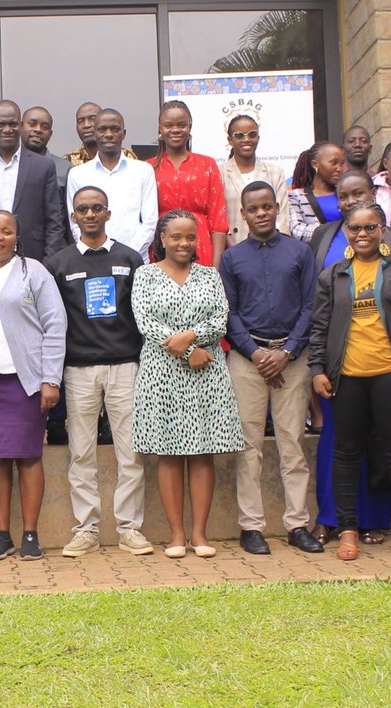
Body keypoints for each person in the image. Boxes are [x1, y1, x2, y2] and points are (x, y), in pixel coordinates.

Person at [308, 201, 391, 563]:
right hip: (346, 378)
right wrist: (317, 370)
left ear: (382, 230)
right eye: (355, 228)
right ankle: (348, 530)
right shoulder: (334, 274)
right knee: (346, 454)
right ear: (346, 232)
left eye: (370, 227)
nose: (362, 234)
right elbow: (320, 328)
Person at [131, 210, 245, 558]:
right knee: (168, 453)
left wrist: (193, 341)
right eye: (177, 236)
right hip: (161, 371)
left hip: (206, 372)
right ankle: (176, 534)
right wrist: (186, 351)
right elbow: (144, 320)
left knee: (201, 451)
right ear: (162, 239)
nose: (184, 243)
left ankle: (200, 533)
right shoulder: (145, 275)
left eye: (190, 237)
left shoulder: (210, 275)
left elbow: (220, 318)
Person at [45, 186, 151, 557]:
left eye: (97, 208)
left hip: (125, 366)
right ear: (73, 217)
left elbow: (142, 315)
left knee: (130, 452)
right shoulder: (58, 264)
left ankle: (129, 528)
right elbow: (53, 322)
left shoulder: (129, 258)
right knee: (81, 453)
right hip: (79, 370)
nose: (89, 214)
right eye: (82, 209)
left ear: (108, 213)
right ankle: (86, 529)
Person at [220, 182, 320, 556]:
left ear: (277, 208)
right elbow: (228, 311)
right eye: (253, 209)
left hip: (292, 361)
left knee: (292, 443)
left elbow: (312, 306)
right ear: (242, 214)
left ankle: (297, 523)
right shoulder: (232, 258)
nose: (261, 213)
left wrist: (289, 351)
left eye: (267, 207)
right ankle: (252, 526)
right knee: (249, 446)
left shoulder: (299, 252)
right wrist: (255, 352)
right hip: (247, 362)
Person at [0, 210, 67, 561]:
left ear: (16, 236)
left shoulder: (33, 271)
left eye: (6, 231)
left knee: (29, 456)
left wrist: (50, 379)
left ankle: (31, 534)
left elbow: (55, 324)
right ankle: (2, 534)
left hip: (26, 381)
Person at [306, 171, 391, 542]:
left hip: (385, 361)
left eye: (357, 193)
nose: (348, 201)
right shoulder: (323, 236)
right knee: (336, 441)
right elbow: (316, 305)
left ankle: (374, 518)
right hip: (338, 361)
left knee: (379, 439)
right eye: (342, 196)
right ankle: (331, 516)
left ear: (373, 194)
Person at [0, 102, 64, 263]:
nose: (7, 129)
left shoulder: (43, 166)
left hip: (34, 259)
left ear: (21, 125)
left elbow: (54, 223)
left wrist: (47, 265)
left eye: (12, 124)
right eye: (1, 124)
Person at [66, 109, 158, 256]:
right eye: (102, 129)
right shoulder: (78, 174)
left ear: (124, 133)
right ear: (95, 133)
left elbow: (150, 221)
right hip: (93, 260)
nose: (109, 134)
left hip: (136, 259)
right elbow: (76, 223)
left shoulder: (143, 171)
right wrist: (94, 252)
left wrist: (129, 255)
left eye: (115, 129)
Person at [151, 100, 229, 265]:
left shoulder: (207, 165)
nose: (175, 130)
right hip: (161, 248)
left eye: (182, 125)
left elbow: (218, 221)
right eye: (168, 125)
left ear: (190, 127)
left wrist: (216, 267)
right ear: (160, 129)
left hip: (200, 246)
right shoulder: (148, 168)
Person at [219, 112, 289, 247]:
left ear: (258, 137)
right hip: (234, 248)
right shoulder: (218, 173)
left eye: (252, 134)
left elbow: (282, 220)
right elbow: (219, 220)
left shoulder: (275, 173)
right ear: (230, 140)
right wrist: (236, 252)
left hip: (274, 248)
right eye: (239, 135)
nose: (246, 139)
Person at [286, 142, 346, 243]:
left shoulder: (346, 193)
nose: (339, 168)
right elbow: (297, 231)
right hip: (316, 256)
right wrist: (339, 230)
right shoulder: (296, 196)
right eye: (334, 162)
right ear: (315, 164)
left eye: (341, 164)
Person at [64, 101, 138, 167]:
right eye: (80, 121)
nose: (86, 125)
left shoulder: (127, 156)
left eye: (92, 118)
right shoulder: (67, 161)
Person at [22, 105, 72, 187]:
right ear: (20, 127)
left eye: (45, 127)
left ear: (50, 135)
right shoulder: (9, 165)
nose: (38, 129)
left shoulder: (65, 168)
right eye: (32, 124)